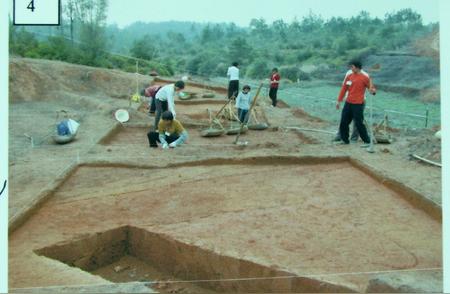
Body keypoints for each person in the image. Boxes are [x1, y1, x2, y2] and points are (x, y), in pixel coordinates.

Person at [335, 60, 376, 145]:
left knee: (359, 123)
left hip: (358, 104)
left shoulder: (365, 78)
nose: (351, 68)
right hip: (348, 102)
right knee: (343, 122)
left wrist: (373, 91)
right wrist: (339, 101)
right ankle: (344, 140)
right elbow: (344, 89)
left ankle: (367, 141)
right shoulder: (349, 76)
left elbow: (371, 88)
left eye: (352, 67)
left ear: (357, 67)